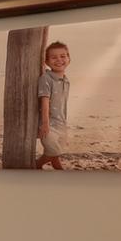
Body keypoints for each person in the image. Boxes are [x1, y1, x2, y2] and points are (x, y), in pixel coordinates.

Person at [37, 40, 72, 170]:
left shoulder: (66, 80)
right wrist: (45, 124)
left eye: (63, 56)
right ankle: (60, 171)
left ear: (69, 59)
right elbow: (45, 101)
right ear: (46, 62)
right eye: (54, 57)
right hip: (49, 125)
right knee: (54, 152)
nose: (59, 60)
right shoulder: (47, 78)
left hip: (61, 123)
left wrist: (64, 123)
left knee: (55, 151)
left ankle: (36, 165)